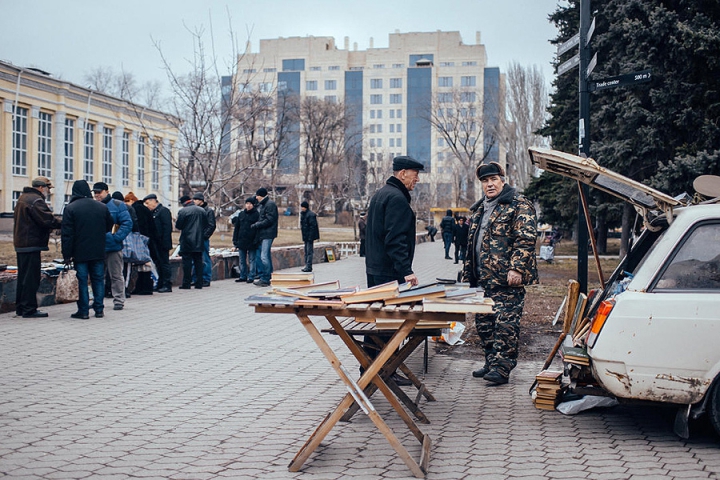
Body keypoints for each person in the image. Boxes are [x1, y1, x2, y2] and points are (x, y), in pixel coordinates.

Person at [462, 162, 538, 385]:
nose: (489, 184)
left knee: (505, 324)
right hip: (481, 278)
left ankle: (502, 369)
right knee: (484, 324)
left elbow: (525, 239)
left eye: (493, 179)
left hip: (506, 278)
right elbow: (473, 245)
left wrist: (517, 268)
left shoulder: (518, 204)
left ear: (503, 180)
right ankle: (490, 362)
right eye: (485, 181)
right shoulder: (479, 209)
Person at [364, 155, 424, 386]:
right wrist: (406, 270)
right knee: (389, 323)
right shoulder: (397, 198)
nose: (417, 179)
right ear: (402, 174)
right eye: (414, 173)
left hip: (377, 269)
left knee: (379, 320)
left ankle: (370, 368)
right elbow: (395, 240)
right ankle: (382, 371)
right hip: (389, 272)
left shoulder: (381, 194)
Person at [61, 180, 114, 319]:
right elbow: (110, 225)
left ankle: (83, 311)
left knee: (82, 281)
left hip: (80, 252)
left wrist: (67, 254)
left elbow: (67, 234)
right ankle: (99, 309)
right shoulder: (101, 207)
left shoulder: (71, 208)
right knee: (98, 280)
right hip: (98, 250)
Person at [13, 176, 61, 318]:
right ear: (41, 187)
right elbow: (47, 220)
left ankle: (21, 307)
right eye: (48, 188)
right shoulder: (36, 200)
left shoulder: (23, 198)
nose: (48, 192)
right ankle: (29, 309)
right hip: (31, 244)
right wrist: (64, 223)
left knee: (23, 277)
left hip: (22, 244)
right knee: (31, 278)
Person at [93, 182, 132, 311]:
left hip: (113, 246)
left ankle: (119, 300)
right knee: (97, 276)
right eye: (95, 192)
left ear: (106, 191)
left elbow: (127, 223)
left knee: (116, 274)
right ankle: (97, 300)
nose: (97, 195)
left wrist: (116, 238)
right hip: (97, 247)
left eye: (99, 192)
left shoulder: (118, 205)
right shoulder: (93, 205)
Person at [175, 195, 208, 289]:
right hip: (199, 240)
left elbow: (179, 226)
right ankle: (199, 283)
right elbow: (206, 224)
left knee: (187, 263)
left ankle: (186, 283)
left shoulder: (182, 211)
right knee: (198, 262)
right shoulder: (202, 210)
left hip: (187, 240)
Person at [143, 194, 173, 293]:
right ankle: (160, 283)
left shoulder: (163, 211)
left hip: (162, 243)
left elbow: (167, 228)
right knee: (158, 264)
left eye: (148, 203)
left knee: (164, 263)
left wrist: (164, 242)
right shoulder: (153, 212)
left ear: (154, 201)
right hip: (155, 242)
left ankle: (167, 284)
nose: (147, 205)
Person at [125, 192, 154, 295]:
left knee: (141, 263)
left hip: (139, 239)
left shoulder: (134, 209)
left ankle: (143, 287)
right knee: (145, 264)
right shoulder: (144, 209)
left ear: (132, 200)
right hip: (147, 238)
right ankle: (145, 287)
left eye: (127, 201)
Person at [251, 187, 278, 287]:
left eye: (257, 195)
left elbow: (269, 220)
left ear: (260, 195)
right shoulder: (264, 204)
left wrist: (257, 225)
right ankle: (269, 276)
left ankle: (266, 278)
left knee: (264, 256)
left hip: (268, 233)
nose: (256, 197)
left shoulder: (269, 204)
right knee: (266, 256)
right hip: (265, 233)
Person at [232, 197, 259, 283]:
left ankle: (251, 276)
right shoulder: (241, 214)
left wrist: (256, 240)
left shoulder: (256, 215)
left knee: (252, 260)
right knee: (242, 260)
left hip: (251, 241)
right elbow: (237, 228)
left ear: (253, 205)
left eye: (250, 204)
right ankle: (243, 276)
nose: (248, 205)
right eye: (247, 203)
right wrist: (235, 240)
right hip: (241, 240)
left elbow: (258, 229)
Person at [192, 192, 216, 287]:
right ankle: (196, 278)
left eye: (196, 199)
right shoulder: (195, 210)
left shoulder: (208, 211)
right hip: (195, 238)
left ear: (201, 201)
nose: (194, 201)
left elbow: (211, 225)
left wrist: (204, 236)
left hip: (202, 238)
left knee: (205, 258)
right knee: (196, 259)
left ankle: (206, 278)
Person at [300, 201, 320, 272]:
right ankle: (307, 265)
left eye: (303, 207)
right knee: (306, 251)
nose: (302, 208)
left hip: (309, 237)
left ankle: (309, 266)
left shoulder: (310, 215)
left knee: (309, 251)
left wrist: (310, 237)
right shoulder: (303, 214)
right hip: (306, 236)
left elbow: (312, 227)